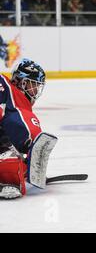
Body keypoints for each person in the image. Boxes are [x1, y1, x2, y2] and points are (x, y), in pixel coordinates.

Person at [0, 58, 52, 199]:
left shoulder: (17, 105)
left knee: (13, 161)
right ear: (21, 82)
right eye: (33, 85)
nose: (35, 91)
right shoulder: (5, 86)